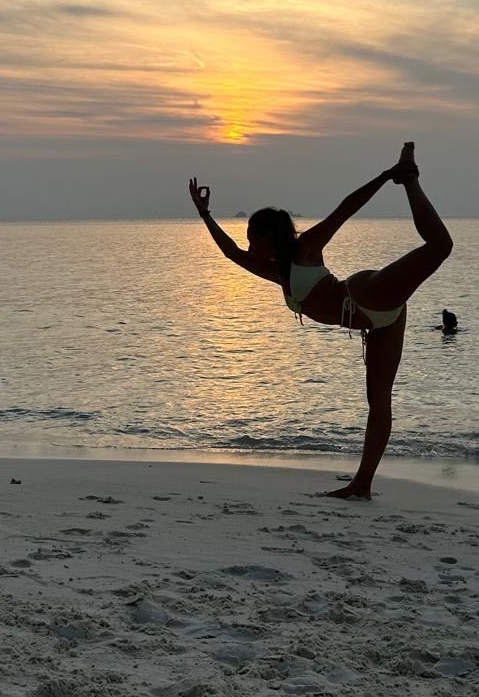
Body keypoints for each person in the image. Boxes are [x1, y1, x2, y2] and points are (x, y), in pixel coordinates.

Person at [189, 142, 452, 499]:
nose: (249, 247)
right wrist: (205, 214)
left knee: (439, 246)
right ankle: (362, 486)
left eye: (253, 239)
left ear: (268, 237)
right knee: (378, 401)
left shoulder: (307, 248)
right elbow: (231, 253)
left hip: (366, 295)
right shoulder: (277, 272)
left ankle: (408, 178)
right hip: (378, 323)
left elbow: (345, 209)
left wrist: (384, 177)